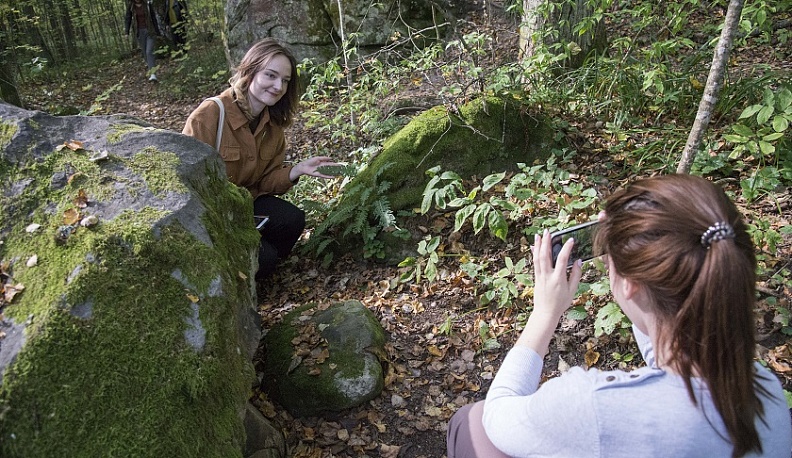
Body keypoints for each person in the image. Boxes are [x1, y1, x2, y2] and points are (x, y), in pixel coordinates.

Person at [447, 174, 792, 458]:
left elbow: (498, 414)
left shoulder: (595, 407)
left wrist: (545, 313)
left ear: (631, 285)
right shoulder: (765, 391)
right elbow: (664, 341)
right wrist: (628, 270)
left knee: (470, 423)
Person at [183, 38, 338, 280]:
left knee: (292, 221)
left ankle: (256, 266)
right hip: (212, 215)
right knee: (264, 259)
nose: (278, 86)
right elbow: (185, 182)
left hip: (247, 206)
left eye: (285, 80)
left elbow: (264, 183)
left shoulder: (272, 126)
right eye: (270, 75)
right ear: (250, 71)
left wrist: (296, 170)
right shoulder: (210, 115)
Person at [125, 0, 161, 81]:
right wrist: (126, 32)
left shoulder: (147, 4)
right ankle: (150, 69)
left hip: (150, 31)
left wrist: (158, 32)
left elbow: (153, 18)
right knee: (145, 53)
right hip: (139, 32)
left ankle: (153, 74)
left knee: (149, 51)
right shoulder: (131, 7)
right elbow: (128, 19)